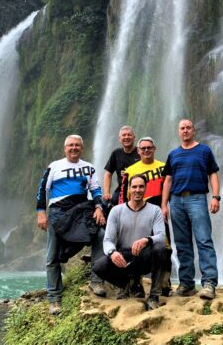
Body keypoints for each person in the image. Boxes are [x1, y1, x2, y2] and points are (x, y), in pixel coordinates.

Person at [36, 135, 106, 315]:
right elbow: (42, 189)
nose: (74, 148)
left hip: (81, 211)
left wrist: (98, 207)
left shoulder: (88, 168)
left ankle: (96, 281)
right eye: (70, 145)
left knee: (100, 235)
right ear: (64, 148)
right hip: (58, 212)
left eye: (77, 145)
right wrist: (41, 213)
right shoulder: (54, 166)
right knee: (52, 256)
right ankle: (54, 298)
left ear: (82, 148)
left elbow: (96, 189)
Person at [161, 119, 221, 300]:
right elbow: (168, 181)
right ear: (178, 132)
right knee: (182, 243)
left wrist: (216, 197)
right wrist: (164, 204)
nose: (185, 131)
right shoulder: (173, 154)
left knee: (203, 240)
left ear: (193, 131)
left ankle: (209, 283)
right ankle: (186, 284)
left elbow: (213, 174)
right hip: (176, 201)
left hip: (197, 198)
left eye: (188, 128)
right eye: (182, 128)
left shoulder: (204, 151)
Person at [93, 174, 166, 310]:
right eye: (134, 187)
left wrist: (147, 240)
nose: (137, 190)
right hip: (122, 256)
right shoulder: (116, 211)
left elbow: (161, 236)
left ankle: (154, 296)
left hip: (143, 255)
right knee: (98, 266)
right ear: (129, 189)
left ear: (145, 189)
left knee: (160, 248)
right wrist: (112, 252)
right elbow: (108, 240)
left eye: (141, 186)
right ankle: (126, 284)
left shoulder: (155, 210)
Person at [121, 137, 172, 295]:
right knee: (135, 247)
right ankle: (136, 284)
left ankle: (164, 283)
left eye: (149, 147)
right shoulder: (130, 170)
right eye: (143, 148)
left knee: (164, 247)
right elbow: (123, 195)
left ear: (154, 148)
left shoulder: (164, 167)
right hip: (138, 212)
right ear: (138, 150)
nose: (146, 150)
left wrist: (165, 206)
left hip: (159, 211)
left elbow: (168, 188)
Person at [103, 126, 140, 206]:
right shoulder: (116, 153)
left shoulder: (140, 152)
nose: (126, 137)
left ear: (134, 138)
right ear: (119, 139)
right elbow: (108, 174)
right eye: (124, 135)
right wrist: (106, 193)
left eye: (129, 135)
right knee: (106, 204)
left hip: (139, 189)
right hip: (121, 190)